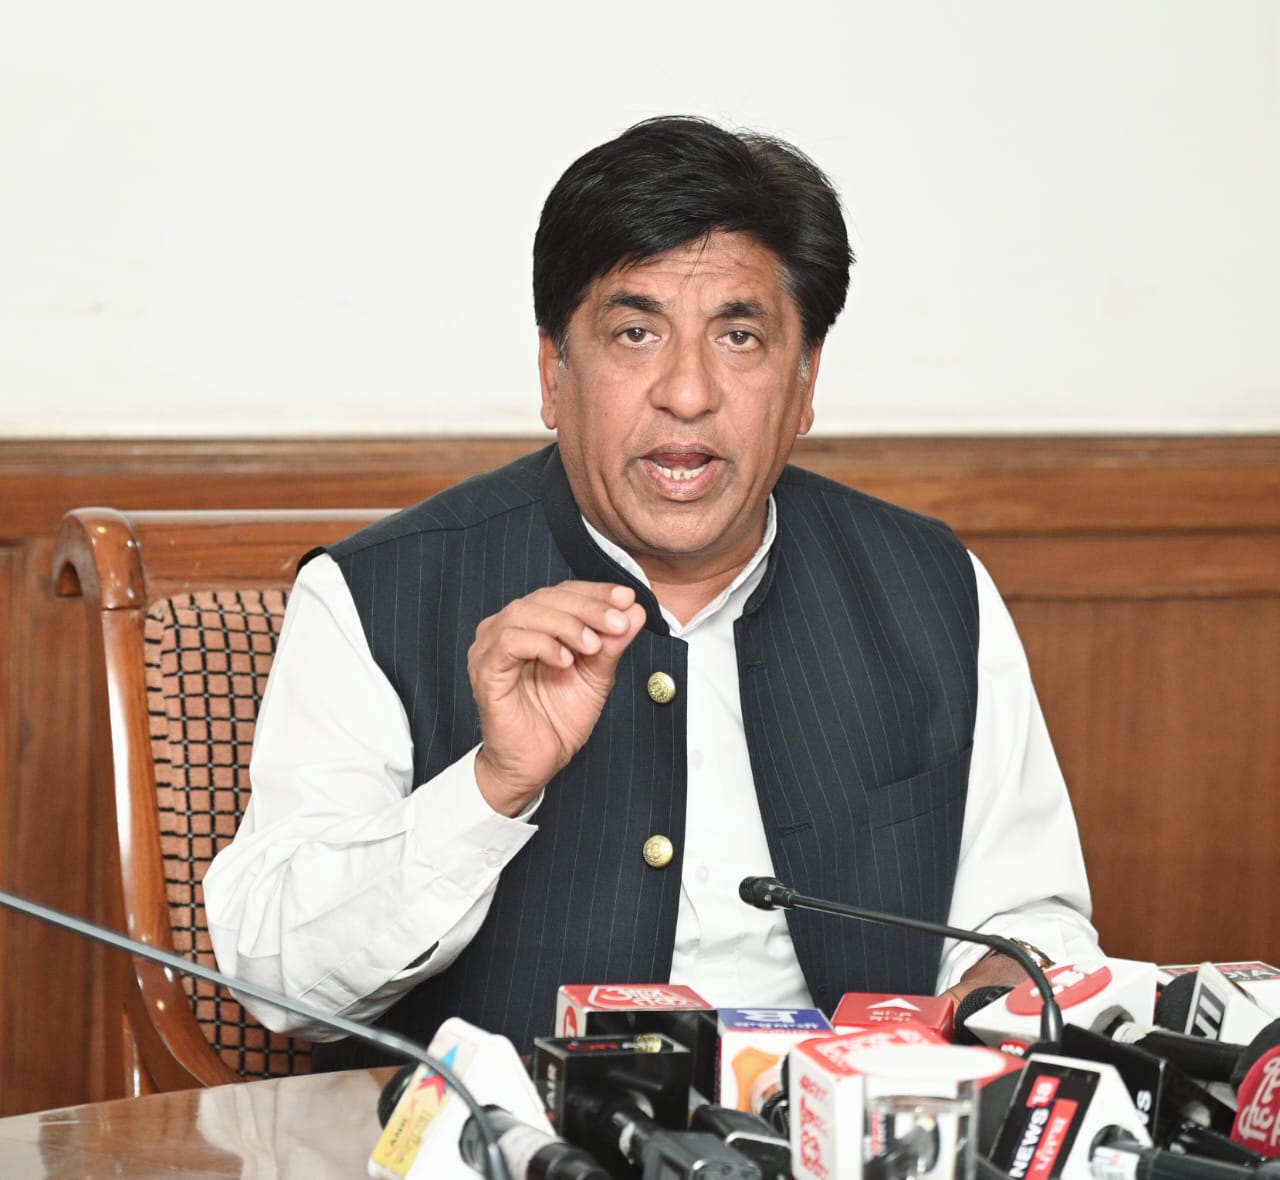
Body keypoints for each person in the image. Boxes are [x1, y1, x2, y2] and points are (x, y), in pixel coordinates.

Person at [204, 115, 1099, 1069]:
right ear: (554, 374)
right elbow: (278, 983)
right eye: (636, 334)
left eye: (740, 337)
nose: (687, 392)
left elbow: (1030, 922)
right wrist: (490, 787)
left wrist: (985, 1010)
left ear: (805, 383)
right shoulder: (375, 594)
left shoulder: (930, 587)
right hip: (505, 1136)